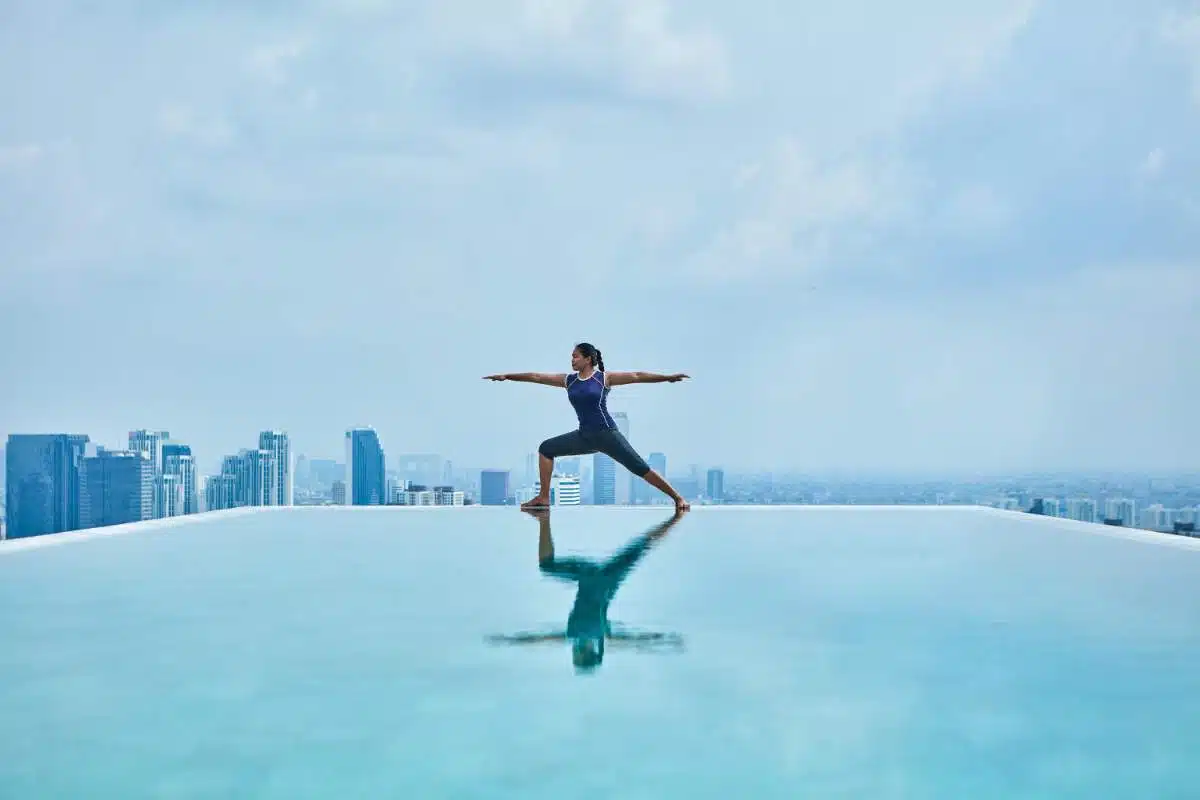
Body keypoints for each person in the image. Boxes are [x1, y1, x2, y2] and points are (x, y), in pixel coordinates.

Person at [483, 342, 691, 511]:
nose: (572, 360)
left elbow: (637, 376)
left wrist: (667, 378)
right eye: (571, 356)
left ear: (588, 358)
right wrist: (507, 376)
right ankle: (544, 497)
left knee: (639, 467)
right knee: (546, 448)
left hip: (607, 434)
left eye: (575, 356)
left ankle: (678, 498)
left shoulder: (603, 378)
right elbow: (537, 377)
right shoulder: (569, 381)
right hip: (585, 436)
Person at [485, 508, 687, 673]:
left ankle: (676, 517)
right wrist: (510, 640)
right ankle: (543, 519)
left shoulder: (603, 637)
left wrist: (662, 639)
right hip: (590, 577)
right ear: (583, 654)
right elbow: (540, 639)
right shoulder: (578, 636)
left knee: (641, 546)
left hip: (610, 579)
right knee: (546, 566)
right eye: (577, 658)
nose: (573, 655)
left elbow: (635, 642)